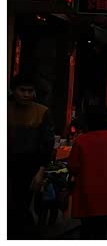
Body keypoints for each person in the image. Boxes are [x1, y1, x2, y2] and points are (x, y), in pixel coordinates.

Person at [68, 106, 107, 239]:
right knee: (101, 229)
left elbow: (73, 166)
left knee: (86, 228)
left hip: (86, 189)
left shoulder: (81, 141)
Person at [8, 75, 55, 239]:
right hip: (8, 165)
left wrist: (40, 171)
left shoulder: (42, 112)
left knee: (20, 206)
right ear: (13, 91)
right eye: (23, 90)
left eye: (30, 91)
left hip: (29, 167)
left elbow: (47, 145)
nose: (27, 94)